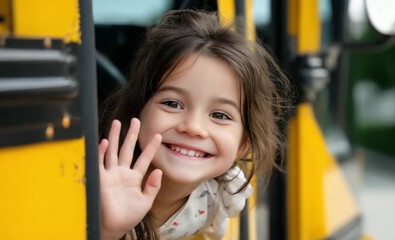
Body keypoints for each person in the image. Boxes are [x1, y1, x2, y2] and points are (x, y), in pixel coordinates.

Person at [98, 9, 290, 240]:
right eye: (172, 103)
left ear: (243, 144)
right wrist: (107, 231)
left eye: (220, 115)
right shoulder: (99, 189)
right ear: (138, 112)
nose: (193, 127)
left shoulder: (220, 193)